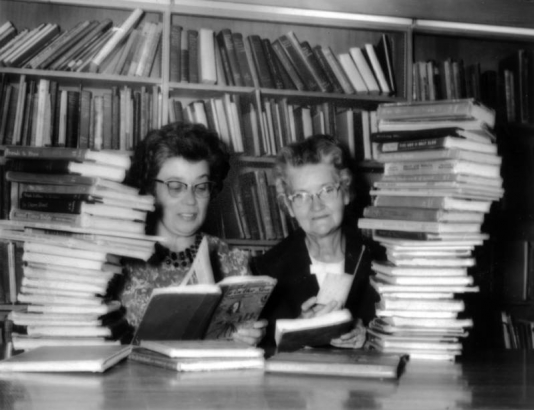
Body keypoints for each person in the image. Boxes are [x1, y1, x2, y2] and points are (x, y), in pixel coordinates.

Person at [119, 122, 266, 346]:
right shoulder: (121, 261)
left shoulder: (234, 262)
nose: (190, 200)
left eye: (201, 187)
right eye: (176, 186)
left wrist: (249, 337)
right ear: (151, 188)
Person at [251, 134, 379, 349]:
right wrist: (296, 333)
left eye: (327, 190)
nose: (316, 206)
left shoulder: (381, 259)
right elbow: (261, 352)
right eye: (301, 196)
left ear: (345, 193)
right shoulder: (265, 271)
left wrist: (370, 337)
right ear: (289, 206)